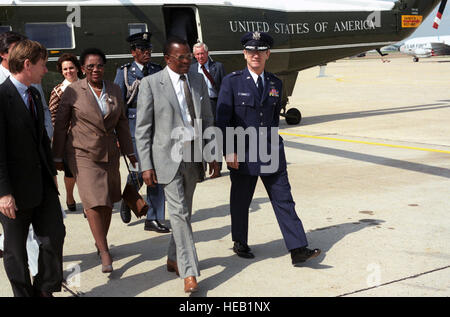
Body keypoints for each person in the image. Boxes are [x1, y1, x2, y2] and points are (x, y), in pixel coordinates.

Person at [216, 32, 321, 265]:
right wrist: (229, 150)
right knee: (241, 200)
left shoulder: (275, 82)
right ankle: (240, 241)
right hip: (243, 153)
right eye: (251, 51)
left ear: (268, 54)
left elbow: (273, 120)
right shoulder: (231, 82)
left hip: (271, 152)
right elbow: (223, 121)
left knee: (284, 199)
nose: (256, 55)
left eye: (260, 51)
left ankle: (298, 248)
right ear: (244, 54)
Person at [135, 37, 219, 293]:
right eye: (181, 57)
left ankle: (173, 258)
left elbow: (206, 118)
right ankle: (190, 270)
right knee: (180, 214)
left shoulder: (196, 79)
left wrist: (212, 152)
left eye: (189, 57)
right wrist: (146, 165)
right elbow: (142, 129)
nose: (187, 61)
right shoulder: (150, 84)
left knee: (185, 214)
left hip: (193, 156)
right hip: (166, 158)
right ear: (167, 58)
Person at [52, 48, 136, 273]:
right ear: (82, 69)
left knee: (108, 201)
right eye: (90, 66)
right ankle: (105, 250)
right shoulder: (73, 92)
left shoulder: (115, 89)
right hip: (82, 153)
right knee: (93, 201)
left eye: (99, 65)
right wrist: (57, 156)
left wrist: (130, 152)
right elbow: (60, 125)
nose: (95, 70)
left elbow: (122, 124)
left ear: (104, 66)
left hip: (109, 153)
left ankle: (100, 241)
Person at [0, 39, 65, 297]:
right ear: (27, 64)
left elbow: (40, 141)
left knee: (54, 236)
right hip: (13, 192)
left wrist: (51, 172)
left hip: (42, 185)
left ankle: (44, 287)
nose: (45, 70)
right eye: (42, 64)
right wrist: (3, 192)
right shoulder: (1, 98)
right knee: (16, 252)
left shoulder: (35, 94)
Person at [114, 32, 169, 233]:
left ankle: (153, 217)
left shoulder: (156, 70)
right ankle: (128, 199)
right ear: (133, 52)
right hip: (134, 130)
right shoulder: (125, 72)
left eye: (149, 50)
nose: (147, 53)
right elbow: (118, 106)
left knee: (157, 171)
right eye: (142, 50)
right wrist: (118, 135)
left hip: (157, 128)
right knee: (140, 171)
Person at [48, 53, 82, 212]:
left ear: (77, 68)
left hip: (88, 137)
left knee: (86, 171)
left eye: (71, 68)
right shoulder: (58, 91)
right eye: (65, 69)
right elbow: (52, 114)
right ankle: (69, 195)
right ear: (62, 72)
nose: (69, 71)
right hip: (69, 138)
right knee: (70, 172)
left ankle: (88, 203)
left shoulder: (88, 86)